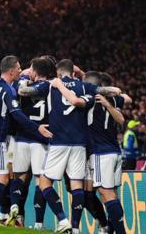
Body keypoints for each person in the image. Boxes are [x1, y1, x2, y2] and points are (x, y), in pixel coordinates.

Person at [0, 55, 52, 226]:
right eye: (18, 68)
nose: (20, 70)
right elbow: (17, 114)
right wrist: (36, 127)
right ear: (11, 71)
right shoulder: (8, 91)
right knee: (2, 178)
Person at [37, 59, 96, 234]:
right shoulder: (85, 87)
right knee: (77, 184)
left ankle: (63, 220)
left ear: (57, 72)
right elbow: (97, 86)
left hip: (59, 141)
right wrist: (81, 73)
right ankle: (76, 228)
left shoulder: (52, 85)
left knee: (44, 182)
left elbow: (26, 90)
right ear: (73, 71)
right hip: (79, 144)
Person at [7, 57, 54, 228]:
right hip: (41, 140)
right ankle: (39, 223)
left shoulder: (25, 85)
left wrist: (23, 79)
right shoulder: (52, 86)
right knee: (39, 181)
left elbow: (20, 91)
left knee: (18, 177)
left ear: (35, 71)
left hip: (23, 137)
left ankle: (16, 213)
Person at [86, 71, 131, 234]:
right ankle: (111, 229)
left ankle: (120, 231)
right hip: (115, 153)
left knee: (106, 194)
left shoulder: (91, 100)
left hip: (100, 153)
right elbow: (126, 101)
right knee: (111, 194)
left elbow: (121, 120)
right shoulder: (115, 99)